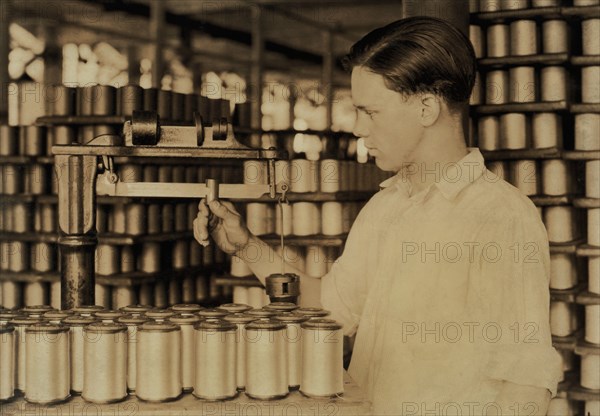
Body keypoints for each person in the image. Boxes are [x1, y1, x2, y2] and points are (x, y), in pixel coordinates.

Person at [194, 16, 562, 415]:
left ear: (426, 107)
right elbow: (331, 309)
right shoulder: (386, 207)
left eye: (370, 111)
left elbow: (527, 386)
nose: (357, 127)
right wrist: (248, 247)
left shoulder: (500, 216)